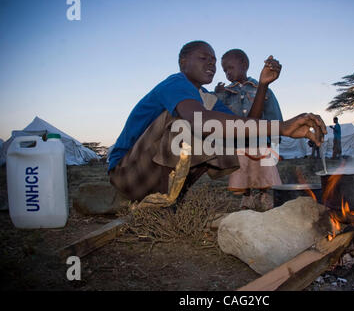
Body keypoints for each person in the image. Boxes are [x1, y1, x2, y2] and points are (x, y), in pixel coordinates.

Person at [108, 40, 327, 207]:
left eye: (213, 61)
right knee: (188, 123)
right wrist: (281, 126)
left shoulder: (207, 97)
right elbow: (199, 121)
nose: (212, 65)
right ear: (184, 62)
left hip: (151, 183)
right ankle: (161, 202)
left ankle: (169, 200)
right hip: (127, 173)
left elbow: (247, 126)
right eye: (204, 58)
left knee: (229, 132)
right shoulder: (175, 83)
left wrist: (262, 86)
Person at [214, 49, 283, 211]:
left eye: (230, 68)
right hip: (238, 142)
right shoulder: (226, 92)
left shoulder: (261, 88)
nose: (227, 73)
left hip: (260, 140)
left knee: (264, 168)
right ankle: (247, 197)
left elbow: (274, 113)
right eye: (225, 70)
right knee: (242, 169)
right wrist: (219, 95)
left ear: (244, 65)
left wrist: (275, 139)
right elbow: (218, 116)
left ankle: (265, 195)